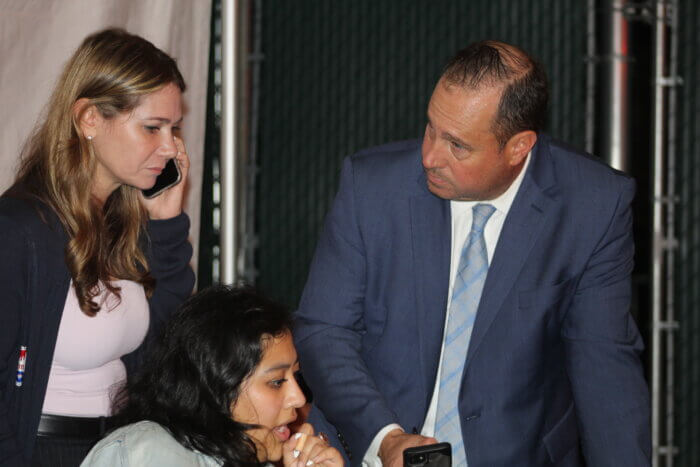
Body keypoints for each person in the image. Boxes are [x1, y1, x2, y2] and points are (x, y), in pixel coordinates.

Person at [294, 40, 651, 466]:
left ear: (519, 147)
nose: (429, 156)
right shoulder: (372, 187)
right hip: (374, 446)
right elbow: (324, 332)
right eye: (430, 128)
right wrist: (385, 438)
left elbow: (605, 372)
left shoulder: (591, 205)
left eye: (457, 145)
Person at [0, 28, 195, 466]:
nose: (170, 147)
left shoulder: (125, 224)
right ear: (90, 119)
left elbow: (163, 352)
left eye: (174, 128)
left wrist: (166, 227)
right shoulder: (19, 231)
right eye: (152, 128)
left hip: (117, 450)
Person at [80, 285, 343, 467]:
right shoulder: (152, 451)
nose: (297, 398)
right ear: (217, 386)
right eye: (276, 382)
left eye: (296, 377)